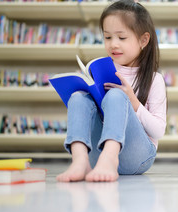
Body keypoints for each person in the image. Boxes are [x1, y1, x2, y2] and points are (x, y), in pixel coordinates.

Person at [57, 0, 166, 182]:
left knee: (116, 94)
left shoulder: (155, 79)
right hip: (97, 155)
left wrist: (133, 102)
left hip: (138, 157)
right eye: (108, 37)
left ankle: (110, 157)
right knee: (78, 97)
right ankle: (80, 161)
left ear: (143, 40)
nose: (113, 44)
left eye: (121, 38)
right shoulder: (100, 70)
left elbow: (159, 131)